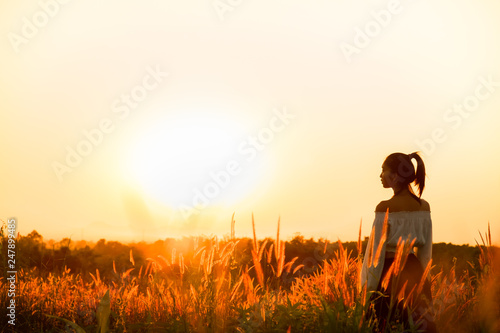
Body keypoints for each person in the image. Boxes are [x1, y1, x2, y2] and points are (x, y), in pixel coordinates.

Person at [360, 152, 436, 332]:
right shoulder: (424, 207)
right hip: (416, 272)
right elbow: (426, 253)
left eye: (383, 171)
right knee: (419, 326)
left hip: (388, 274)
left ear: (394, 176)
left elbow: (375, 256)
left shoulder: (384, 208)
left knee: (384, 325)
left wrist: (368, 290)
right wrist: (426, 283)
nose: (380, 176)